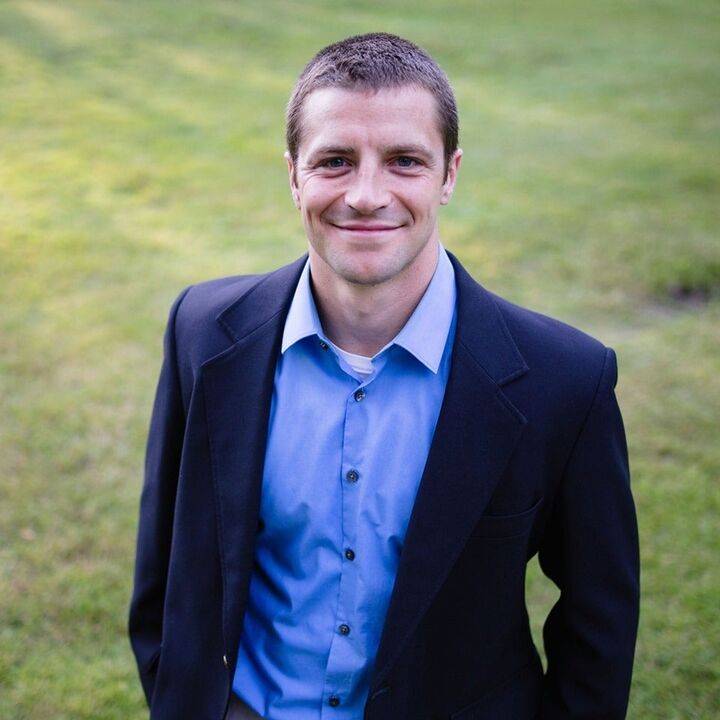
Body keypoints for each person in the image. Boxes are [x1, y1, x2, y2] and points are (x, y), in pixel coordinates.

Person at [129, 32, 639, 720]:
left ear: (449, 174)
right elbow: (167, 565)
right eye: (335, 161)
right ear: (293, 175)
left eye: (404, 161)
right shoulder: (202, 331)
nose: (367, 196)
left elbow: (599, 625)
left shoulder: (566, 381)